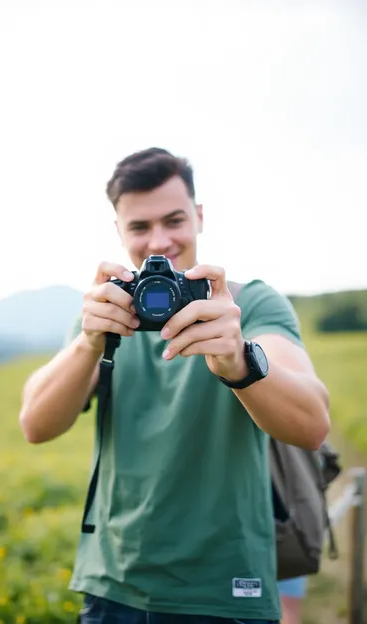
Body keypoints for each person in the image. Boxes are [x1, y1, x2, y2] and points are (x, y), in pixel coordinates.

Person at [19, 147, 330, 624]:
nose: (159, 241)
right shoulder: (106, 315)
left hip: (226, 590)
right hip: (114, 584)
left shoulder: (248, 306)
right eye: (140, 227)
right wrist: (88, 344)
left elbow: (312, 424)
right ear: (119, 231)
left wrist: (237, 357)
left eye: (175, 220)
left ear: (200, 217)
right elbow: (36, 425)